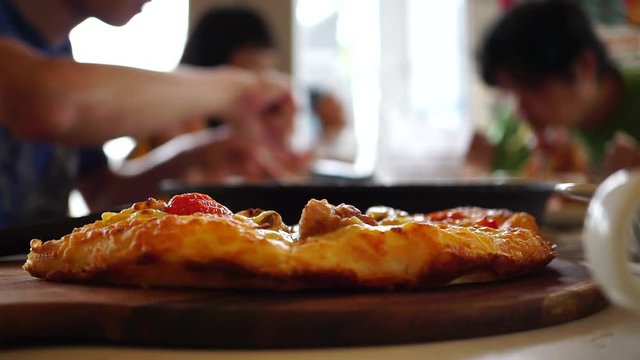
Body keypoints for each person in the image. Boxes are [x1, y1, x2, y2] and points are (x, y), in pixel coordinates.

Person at [0, 0, 301, 228]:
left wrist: (197, 157)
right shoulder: (46, 74)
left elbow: (101, 193)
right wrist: (238, 88)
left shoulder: (60, 53)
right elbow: (48, 105)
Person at [467, 0, 640, 180]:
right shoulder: (517, 130)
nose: (520, 109)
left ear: (584, 65)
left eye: (532, 86)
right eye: (508, 92)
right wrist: (476, 174)